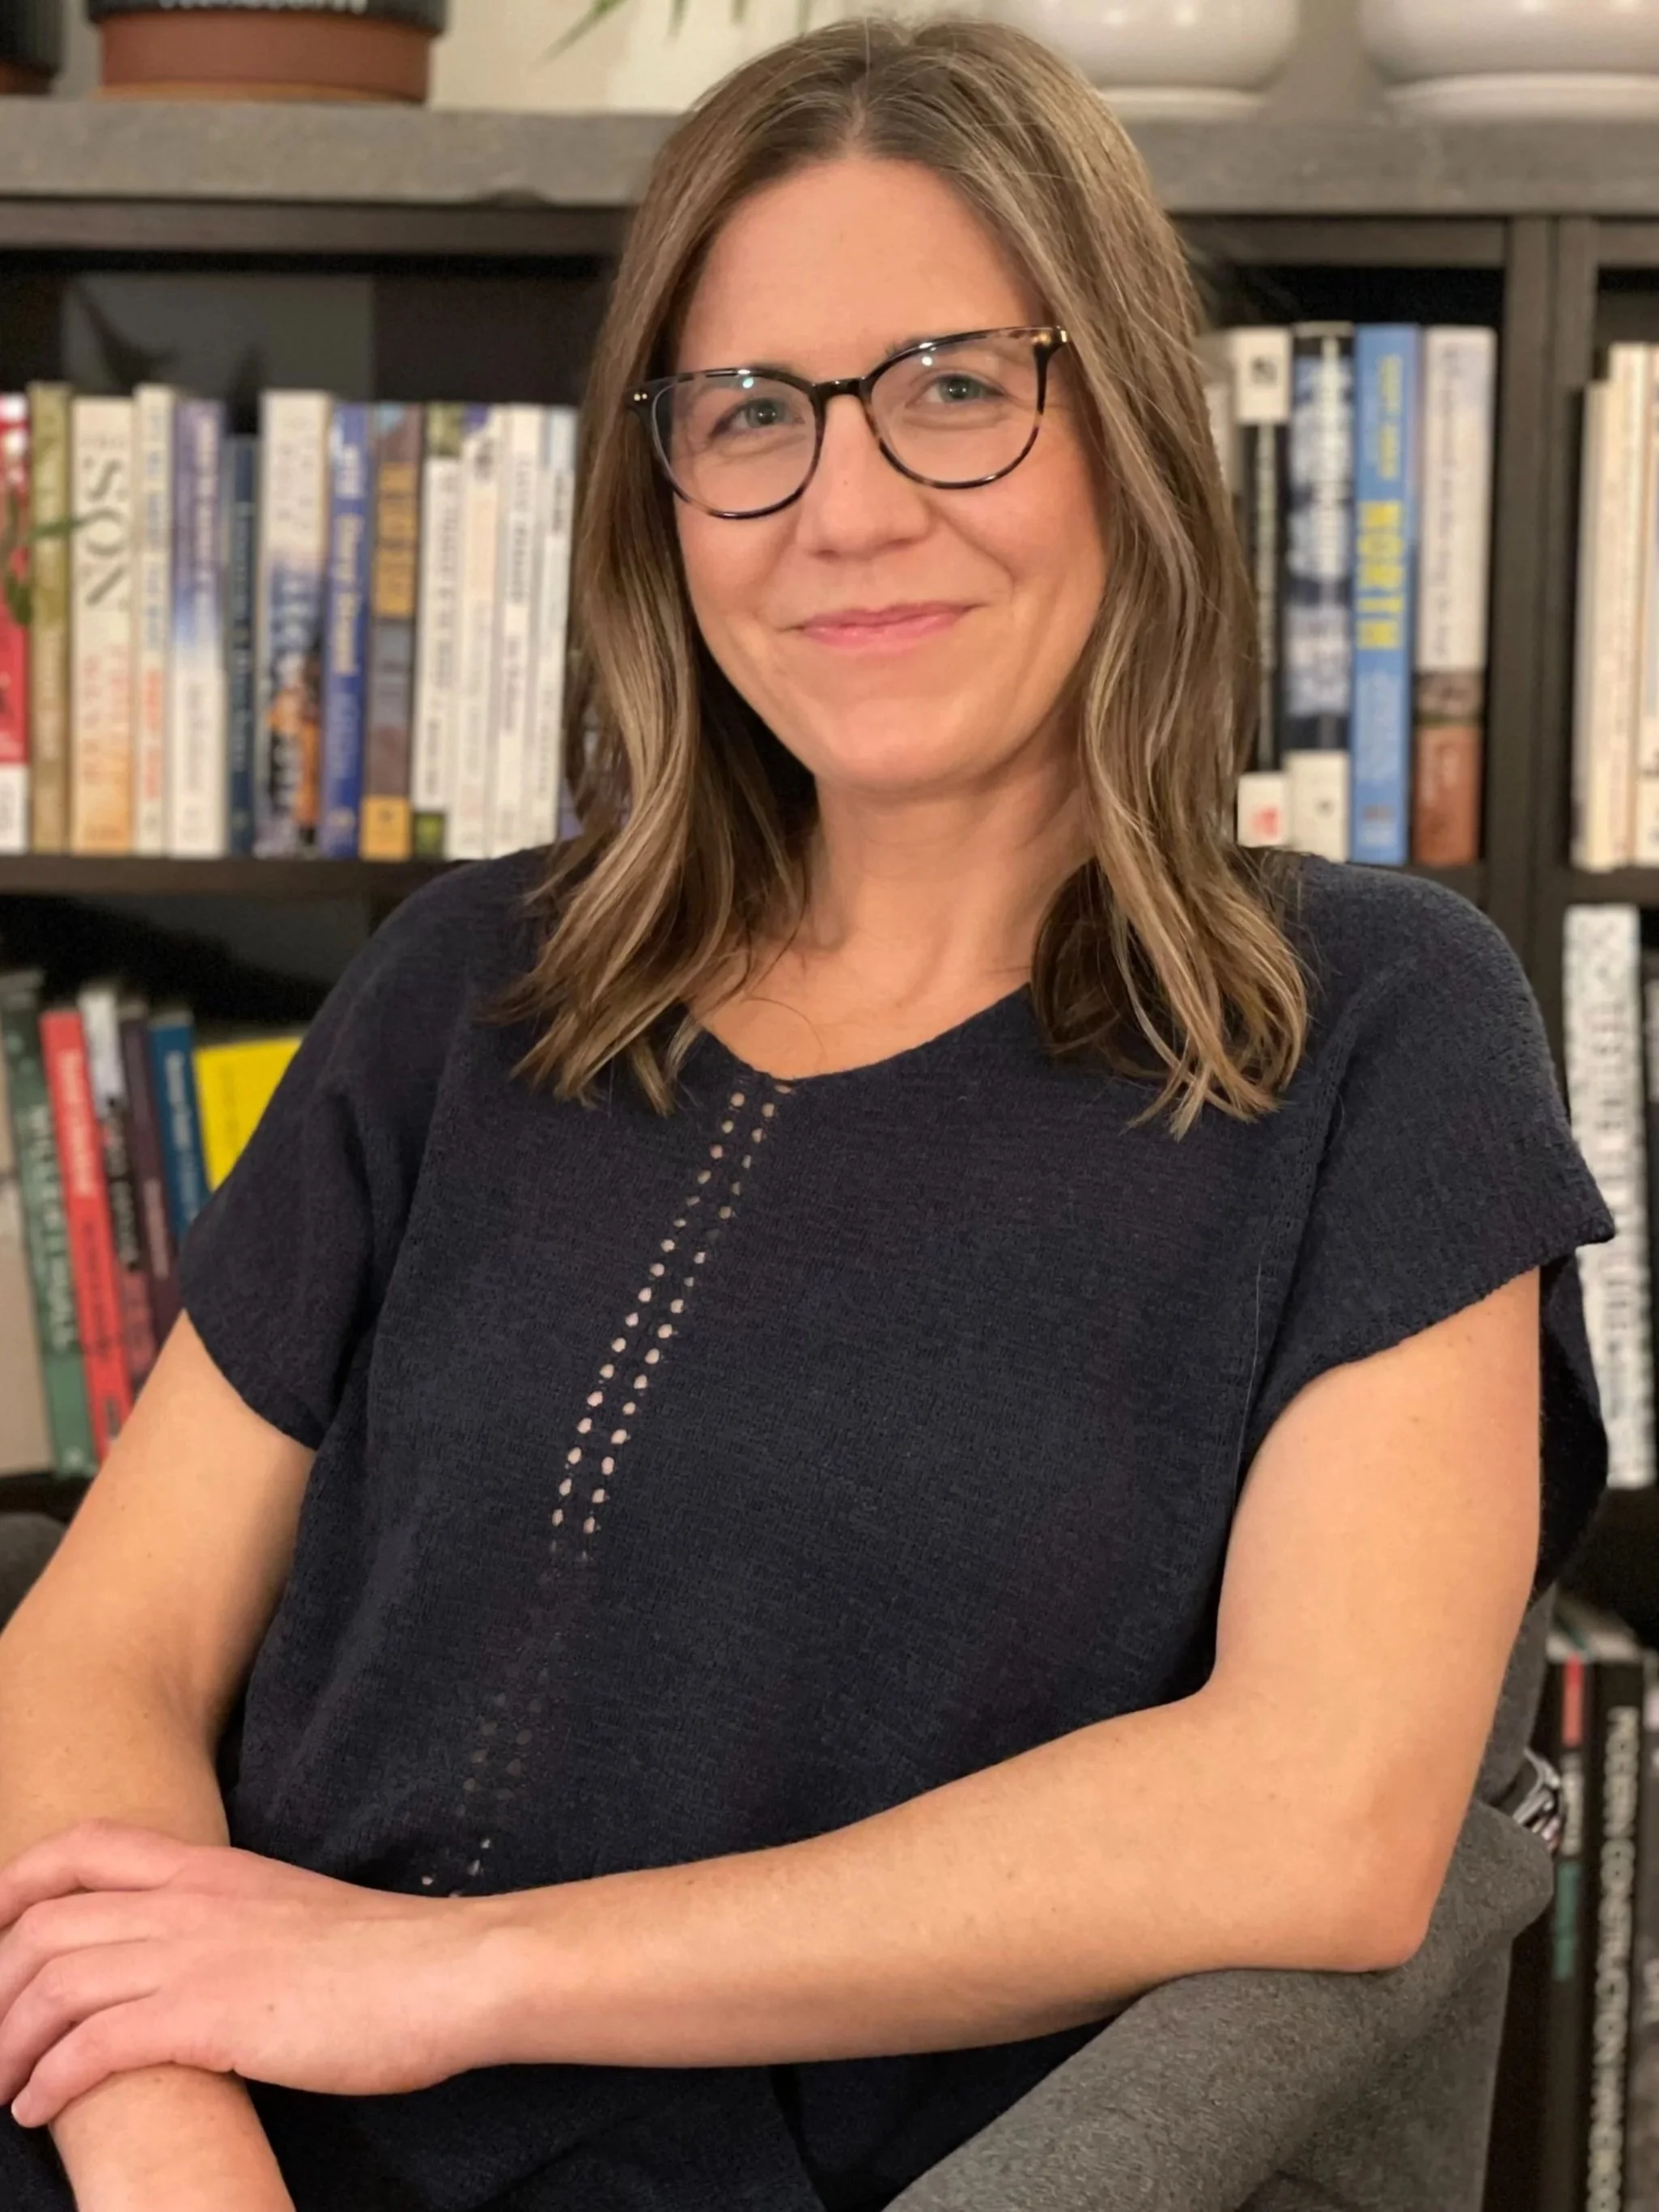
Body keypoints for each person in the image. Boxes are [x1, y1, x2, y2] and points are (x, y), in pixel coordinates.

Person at [0, 16, 1614, 2212]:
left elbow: (1324, 1816)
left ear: (1127, 428)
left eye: (956, 384)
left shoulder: (1376, 1027)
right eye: (749, 412)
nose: (844, 507)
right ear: (661, 498)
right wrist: (170, 2122)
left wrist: (446, 1976)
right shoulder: (470, 984)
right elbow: (105, 1642)